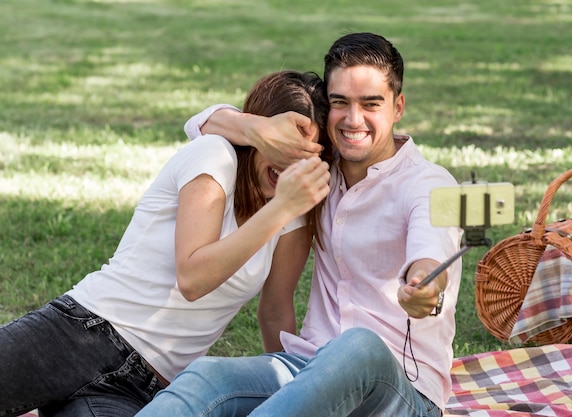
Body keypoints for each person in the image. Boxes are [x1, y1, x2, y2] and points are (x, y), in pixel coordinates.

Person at [136, 32, 463, 417]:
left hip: (403, 391)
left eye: (371, 104)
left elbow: (433, 248)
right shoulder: (317, 174)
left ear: (398, 106)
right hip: (309, 367)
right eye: (341, 103)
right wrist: (260, 130)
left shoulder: (433, 184)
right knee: (207, 377)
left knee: (358, 346)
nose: (354, 119)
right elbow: (201, 123)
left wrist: (425, 285)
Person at [0, 70, 331, 417]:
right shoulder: (216, 155)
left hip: (147, 389)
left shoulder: (293, 209)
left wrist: (293, 398)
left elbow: (275, 309)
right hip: (84, 333)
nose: (290, 163)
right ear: (259, 134)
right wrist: (282, 207)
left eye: (307, 155)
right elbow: (192, 277)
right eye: (283, 146)